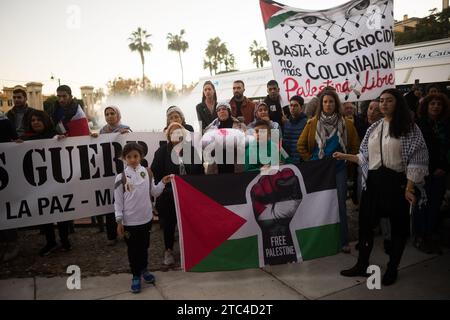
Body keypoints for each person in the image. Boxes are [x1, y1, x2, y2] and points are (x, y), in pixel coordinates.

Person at [335, 88, 429, 286]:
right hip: (374, 183)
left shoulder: (409, 128)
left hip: (397, 183)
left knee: (398, 229)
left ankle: (392, 268)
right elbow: (364, 157)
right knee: (366, 226)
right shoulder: (374, 128)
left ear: (397, 103)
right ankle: (362, 265)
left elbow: (418, 159)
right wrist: (345, 156)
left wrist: (410, 187)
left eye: (389, 100)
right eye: (382, 100)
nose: (384, 104)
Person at [297, 90, 359, 253]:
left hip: (339, 171)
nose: (328, 105)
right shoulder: (312, 123)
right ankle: (320, 240)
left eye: (331, 102)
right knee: (318, 205)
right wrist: (312, 161)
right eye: (325, 102)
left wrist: (346, 159)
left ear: (336, 104)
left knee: (340, 205)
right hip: (319, 172)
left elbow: (355, 147)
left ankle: (343, 241)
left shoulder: (347, 124)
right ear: (320, 104)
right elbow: (300, 146)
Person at [115, 142, 171, 293]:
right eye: (129, 157)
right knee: (133, 250)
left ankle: (144, 270)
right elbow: (118, 201)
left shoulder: (147, 172)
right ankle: (135, 275)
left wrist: (163, 183)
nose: (133, 159)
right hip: (129, 222)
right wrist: (119, 220)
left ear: (141, 156)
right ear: (124, 158)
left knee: (144, 247)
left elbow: (154, 192)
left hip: (146, 219)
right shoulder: (120, 178)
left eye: (136, 156)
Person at [151, 122, 204, 266]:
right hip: (169, 194)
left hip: (189, 194)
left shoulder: (191, 150)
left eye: (179, 132)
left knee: (191, 223)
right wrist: (164, 184)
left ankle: (192, 249)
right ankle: (168, 250)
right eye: (173, 132)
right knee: (169, 223)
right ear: (168, 135)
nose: (176, 134)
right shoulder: (161, 152)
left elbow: (199, 172)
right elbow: (156, 173)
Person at [414, 93, 450, 254]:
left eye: (439, 104)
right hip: (423, 171)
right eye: (432, 104)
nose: (436, 106)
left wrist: (444, 167)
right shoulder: (419, 125)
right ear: (426, 106)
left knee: (435, 204)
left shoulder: (446, 125)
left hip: (441, 173)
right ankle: (420, 236)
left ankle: (430, 234)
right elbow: (419, 149)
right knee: (422, 204)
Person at [91, 106, 132, 245]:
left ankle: (127, 232)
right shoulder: (102, 131)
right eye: (106, 114)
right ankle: (111, 235)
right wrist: (94, 138)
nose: (109, 116)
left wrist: (125, 134)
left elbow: (132, 144)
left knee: (125, 202)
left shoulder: (126, 128)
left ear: (118, 114)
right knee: (110, 205)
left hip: (122, 171)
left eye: (112, 113)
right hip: (107, 173)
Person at [204, 101, 247, 174]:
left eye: (224, 109)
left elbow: (244, 141)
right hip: (216, 163)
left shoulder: (240, 125)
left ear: (229, 111)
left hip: (235, 161)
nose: (221, 111)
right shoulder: (211, 128)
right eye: (219, 110)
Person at [0, 113, 18, 262]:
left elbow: (14, 137)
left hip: (4, 169)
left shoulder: (4, 120)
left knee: (5, 207)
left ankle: (12, 243)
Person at [282, 95, 307, 165]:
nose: (292, 108)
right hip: (288, 161)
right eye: (291, 105)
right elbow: (284, 143)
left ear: (301, 108)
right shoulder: (286, 123)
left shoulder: (307, 123)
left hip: (301, 161)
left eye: (296, 105)